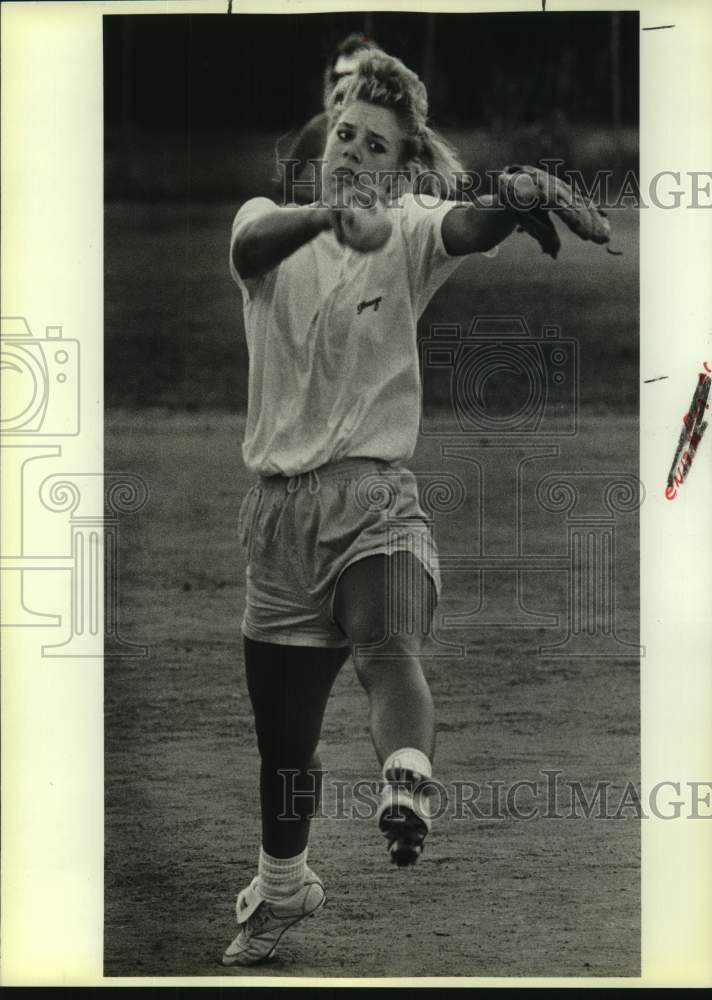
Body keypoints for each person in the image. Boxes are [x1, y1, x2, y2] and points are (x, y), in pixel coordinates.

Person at [223, 51, 550, 968]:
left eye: (377, 145)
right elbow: (249, 249)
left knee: (386, 641)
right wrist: (328, 214)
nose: (354, 152)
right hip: (279, 526)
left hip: (375, 507)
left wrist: (514, 199)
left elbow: (467, 225)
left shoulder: (406, 228)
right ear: (324, 142)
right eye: (345, 136)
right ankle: (283, 887)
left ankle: (407, 781)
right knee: (284, 754)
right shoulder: (266, 224)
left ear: (402, 167)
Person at [277, 32, 381, 205]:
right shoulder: (319, 127)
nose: (346, 83)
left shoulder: (387, 127)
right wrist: (323, 203)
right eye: (339, 76)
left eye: (355, 75)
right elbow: (284, 185)